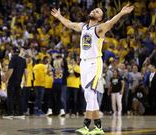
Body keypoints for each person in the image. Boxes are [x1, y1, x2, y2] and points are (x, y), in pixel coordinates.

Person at [51, 4, 134, 134]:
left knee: (90, 94)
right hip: (83, 63)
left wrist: (121, 13)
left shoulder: (100, 28)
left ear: (100, 18)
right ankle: (98, 127)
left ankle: (86, 126)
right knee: (89, 95)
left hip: (94, 63)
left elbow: (111, 22)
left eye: (97, 12)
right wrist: (59, 16)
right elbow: (70, 24)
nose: (94, 11)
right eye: (94, 10)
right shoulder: (83, 27)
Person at [4, 46, 27, 119]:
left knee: (10, 97)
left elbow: (11, 70)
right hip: (19, 81)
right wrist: (26, 81)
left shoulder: (13, 59)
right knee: (19, 97)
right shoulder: (23, 60)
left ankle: (10, 113)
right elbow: (26, 72)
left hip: (12, 81)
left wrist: (6, 79)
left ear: (12, 51)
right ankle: (20, 113)